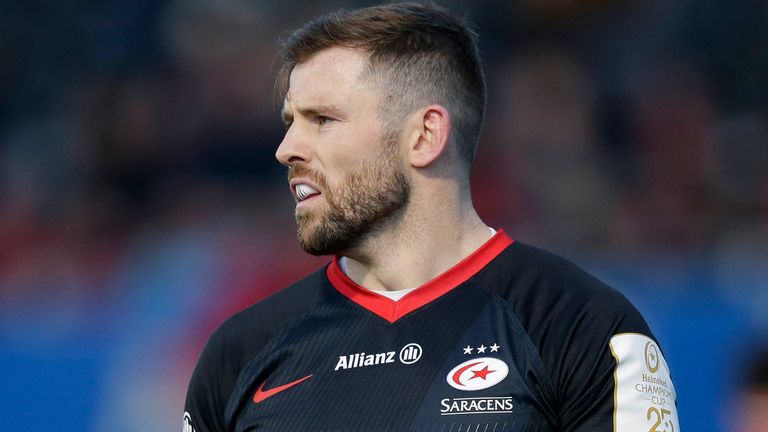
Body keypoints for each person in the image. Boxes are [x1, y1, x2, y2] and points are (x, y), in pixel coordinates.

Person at [184, 3, 680, 431]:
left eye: (323, 120)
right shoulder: (239, 354)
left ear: (424, 136)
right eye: (291, 122)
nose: (286, 149)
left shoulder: (580, 326)